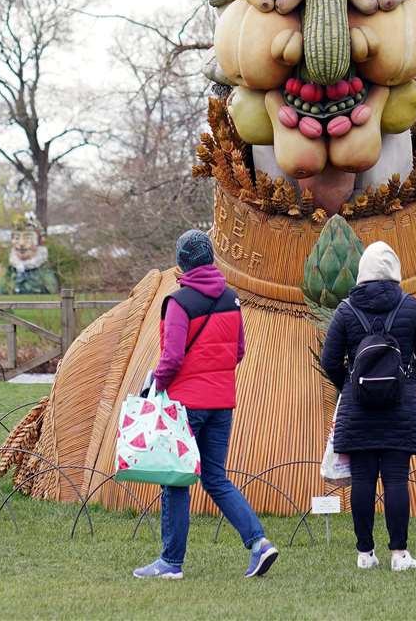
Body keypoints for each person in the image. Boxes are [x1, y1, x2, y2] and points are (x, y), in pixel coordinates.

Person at [132, 229, 279, 580]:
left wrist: (156, 383)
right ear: (211, 258)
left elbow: (172, 357)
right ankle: (258, 542)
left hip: (186, 405)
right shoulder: (231, 299)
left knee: (176, 480)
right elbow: (238, 351)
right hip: (222, 402)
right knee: (215, 478)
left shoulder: (179, 302)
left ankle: (170, 562)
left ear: (182, 262)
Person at [319, 241, 416, 571]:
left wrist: (350, 384)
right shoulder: (411, 307)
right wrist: (408, 383)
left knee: (363, 479)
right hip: (401, 407)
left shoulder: (345, 310)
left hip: (358, 409)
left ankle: (365, 554)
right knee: (397, 479)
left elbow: (330, 360)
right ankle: (399, 554)